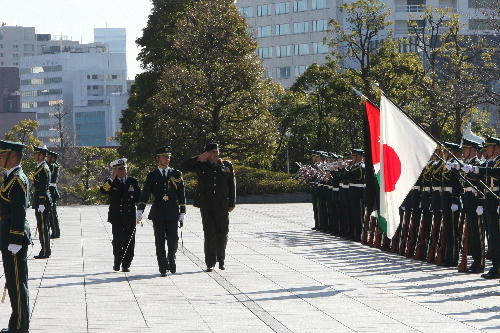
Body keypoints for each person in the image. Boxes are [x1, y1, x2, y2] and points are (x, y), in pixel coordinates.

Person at [181, 143, 235, 272]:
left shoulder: (226, 165)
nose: (216, 154)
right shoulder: (201, 165)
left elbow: (231, 185)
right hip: (206, 205)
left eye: (217, 151)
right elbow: (183, 166)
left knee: (222, 233)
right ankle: (210, 262)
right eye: (212, 152)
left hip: (222, 205)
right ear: (207, 154)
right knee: (209, 233)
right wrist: (198, 158)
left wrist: (232, 202)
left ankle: (221, 259)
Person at [137, 147, 186, 276]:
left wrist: (183, 211)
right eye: (164, 157)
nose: (167, 159)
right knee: (159, 241)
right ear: (158, 158)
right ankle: (162, 266)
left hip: (172, 211)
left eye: (168, 157)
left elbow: (181, 193)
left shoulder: (176, 174)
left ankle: (172, 259)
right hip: (158, 212)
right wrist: (140, 209)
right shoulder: (152, 175)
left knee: (173, 239)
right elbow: (146, 193)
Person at [0, 140, 31, 333]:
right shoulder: (11, 176)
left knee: (18, 285)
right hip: (8, 235)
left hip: (13, 238)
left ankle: (20, 328)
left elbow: (19, 211)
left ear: (12, 156)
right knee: (13, 283)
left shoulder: (17, 179)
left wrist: (15, 239)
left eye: (2, 155)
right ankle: (16, 324)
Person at [100, 158, 141, 272]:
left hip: (129, 216)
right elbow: (103, 190)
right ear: (115, 170)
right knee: (117, 241)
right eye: (120, 169)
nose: (123, 170)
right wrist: (112, 178)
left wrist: (140, 211)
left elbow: (139, 197)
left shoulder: (133, 181)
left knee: (129, 241)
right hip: (116, 216)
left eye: (125, 168)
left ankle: (126, 264)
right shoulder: (111, 182)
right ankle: (117, 261)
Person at [32, 145, 52, 259]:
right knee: (41, 227)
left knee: (43, 227)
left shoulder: (43, 168)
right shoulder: (40, 166)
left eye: (36, 154)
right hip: (40, 200)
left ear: (41, 155)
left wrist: (41, 202)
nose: (35, 156)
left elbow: (43, 187)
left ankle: (45, 251)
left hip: (42, 201)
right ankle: (44, 249)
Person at [47, 150, 61, 239]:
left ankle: (56, 232)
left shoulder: (53, 166)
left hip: (52, 191)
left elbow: (49, 168)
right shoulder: (53, 165)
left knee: (52, 213)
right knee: (51, 213)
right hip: (51, 189)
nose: (47, 158)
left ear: (53, 158)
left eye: (49, 157)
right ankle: (54, 231)